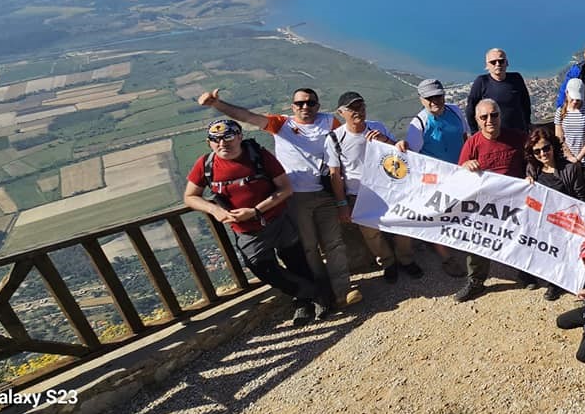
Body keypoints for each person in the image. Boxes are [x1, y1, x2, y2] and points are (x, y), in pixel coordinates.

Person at [198, 88, 361, 309]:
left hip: (327, 192)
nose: (305, 107)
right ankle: (323, 292)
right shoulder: (282, 124)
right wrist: (217, 104)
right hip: (295, 197)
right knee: (309, 248)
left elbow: (348, 142)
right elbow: (247, 116)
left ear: (318, 106)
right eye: (300, 103)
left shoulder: (329, 122)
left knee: (334, 243)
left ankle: (342, 291)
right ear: (293, 106)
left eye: (310, 103)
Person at [184, 119, 329, 325]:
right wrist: (214, 210)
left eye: (228, 137)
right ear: (209, 143)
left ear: (239, 137)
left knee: (296, 261)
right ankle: (314, 293)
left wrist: (255, 211)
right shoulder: (205, 165)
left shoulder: (259, 156)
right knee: (262, 268)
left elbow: (285, 188)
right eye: (215, 139)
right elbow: (190, 196)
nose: (222, 143)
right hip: (245, 230)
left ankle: (306, 303)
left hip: (277, 219)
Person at [325, 91, 418, 284]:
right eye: (352, 108)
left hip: (389, 189)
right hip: (358, 194)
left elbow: (400, 152)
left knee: (402, 225)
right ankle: (388, 263)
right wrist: (342, 204)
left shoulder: (378, 127)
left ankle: (406, 259)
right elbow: (335, 174)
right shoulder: (334, 139)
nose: (358, 111)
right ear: (341, 112)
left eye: (361, 106)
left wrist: (386, 141)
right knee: (371, 234)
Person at [454, 99, 531, 302]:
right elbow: (459, 174)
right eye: (484, 117)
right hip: (485, 204)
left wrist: (530, 175)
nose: (490, 120)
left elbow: (533, 157)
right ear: (477, 120)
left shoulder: (516, 137)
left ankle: (527, 272)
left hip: (515, 201)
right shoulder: (472, 144)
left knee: (523, 236)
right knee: (477, 239)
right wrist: (466, 166)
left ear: (500, 116)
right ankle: (476, 280)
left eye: (494, 115)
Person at [397, 78, 471, 277]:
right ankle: (446, 257)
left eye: (437, 96)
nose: (434, 101)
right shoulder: (419, 124)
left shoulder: (455, 111)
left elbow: (466, 137)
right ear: (421, 100)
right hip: (434, 180)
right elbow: (412, 157)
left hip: (459, 173)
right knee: (436, 216)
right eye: (429, 98)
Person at [525, 128, 585, 301]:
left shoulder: (570, 169)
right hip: (544, 221)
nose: (543, 153)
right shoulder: (532, 169)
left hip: (567, 220)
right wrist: (527, 185)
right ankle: (554, 283)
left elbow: (581, 198)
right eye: (537, 151)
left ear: (553, 146)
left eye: (546, 148)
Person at [466, 48, 532, 132]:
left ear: (506, 63)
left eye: (501, 61)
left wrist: (527, 124)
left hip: (518, 133)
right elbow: (471, 109)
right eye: (493, 62)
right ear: (487, 65)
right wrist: (474, 132)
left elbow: (526, 104)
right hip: (493, 134)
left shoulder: (516, 78)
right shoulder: (482, 81)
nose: (497, 64)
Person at [554, 78, 585, 165]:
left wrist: (578, 158)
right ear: (566, 93)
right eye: (572, 98)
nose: (575, 101)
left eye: (578, 99)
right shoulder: (560, 111)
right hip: (566, 161)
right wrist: (569, 156)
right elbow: (559, 137)